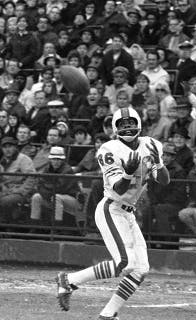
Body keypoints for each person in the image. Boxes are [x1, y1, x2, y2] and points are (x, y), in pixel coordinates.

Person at [55, 107, 170, 320]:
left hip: (129, 213)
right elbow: (118, 188)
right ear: (116, 129)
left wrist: (159, 163)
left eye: (131, 123)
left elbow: (164, 181)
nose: (128, 128)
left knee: (140, 269)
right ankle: (69, 280)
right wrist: (127, 173)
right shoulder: (108, 149)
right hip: (112, 209)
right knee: (124, 264)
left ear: (139, 123)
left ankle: (108, 314)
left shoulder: (152, 145)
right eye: (123, 125)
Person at [0, 136, 37, 225]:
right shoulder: (3, 160)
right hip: (7, 191)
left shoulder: (23, 159)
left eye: (10, 146)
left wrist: (21, 191)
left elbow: (32, 177)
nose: (7, 149)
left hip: (21, 192)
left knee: (5, 201)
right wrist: (3, 186)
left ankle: (12, 224)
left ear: (15, 147)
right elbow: (2, 178)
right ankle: (1, 223)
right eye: (5, 147)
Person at [29, 146, 84, 229]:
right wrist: (46, 190)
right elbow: (39, 184)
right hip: (51, 196)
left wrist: (45, 188)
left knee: (56, 197)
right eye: (54, 159)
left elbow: (60, 188)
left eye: (58, 159)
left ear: (62, 160)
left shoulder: (67, 170)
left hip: (73, 200)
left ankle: (56, 229)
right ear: (50, 160)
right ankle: (34, 227)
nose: (56, 162)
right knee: (36, 197)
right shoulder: (47, 169)